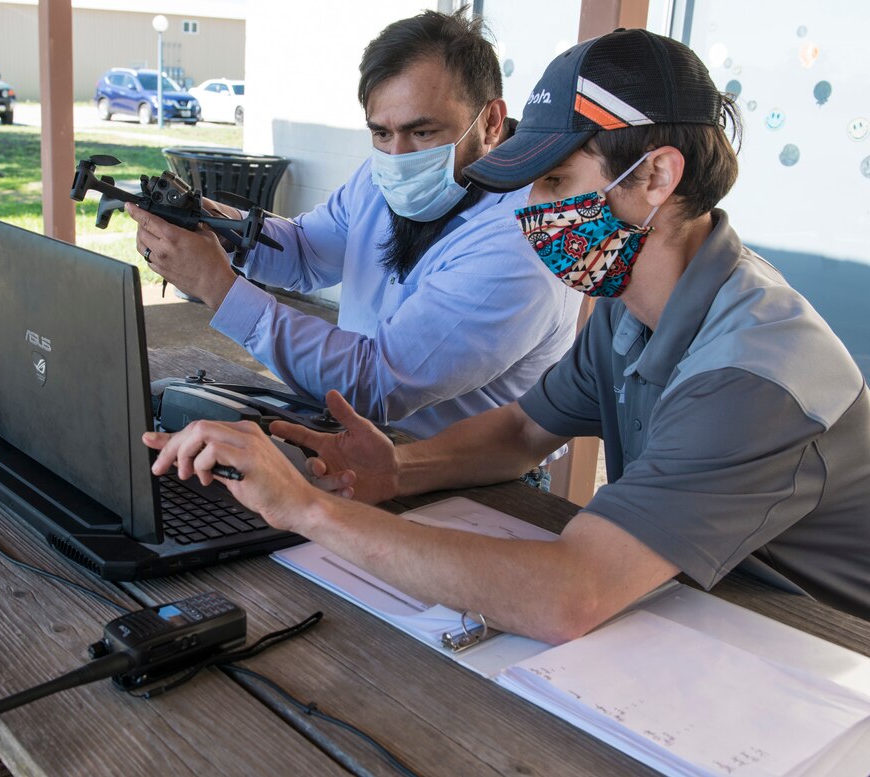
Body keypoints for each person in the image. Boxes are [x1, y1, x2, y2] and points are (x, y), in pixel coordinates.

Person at [143, 27, 870, 642]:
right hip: (707, 619)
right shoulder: (628, 302)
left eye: (553, 182)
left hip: (825, 660)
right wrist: (398, 471)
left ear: (655, 178)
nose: (532, 211)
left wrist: (306, 508)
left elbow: (570, 592)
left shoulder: (754, 375)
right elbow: (524, 428)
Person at [127, 10, 580, 440]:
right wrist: (211, 225)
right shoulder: (380, 176)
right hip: (357, 438)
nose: (398, 158)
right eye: (381, 133)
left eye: (423, 133)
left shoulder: (524, 238)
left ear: (492, 123)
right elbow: (305, 251)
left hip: (477, 489)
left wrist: (218, 287)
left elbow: (378, 383)